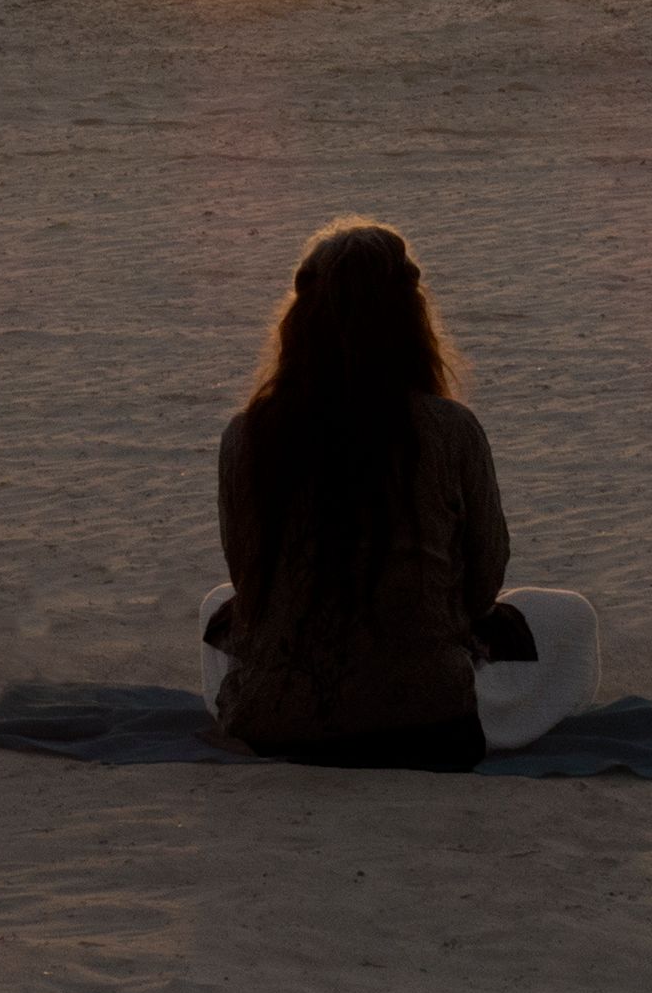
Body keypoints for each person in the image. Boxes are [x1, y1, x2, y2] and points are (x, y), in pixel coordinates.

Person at [198, 217, 599, 769]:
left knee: (217, 607)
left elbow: (250, 582)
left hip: (274, 725)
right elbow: (485, 580)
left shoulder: (246, 436)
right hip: (429, 728)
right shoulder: (450, 427)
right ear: (411, 323)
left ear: (299, 322)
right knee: (569, 616)